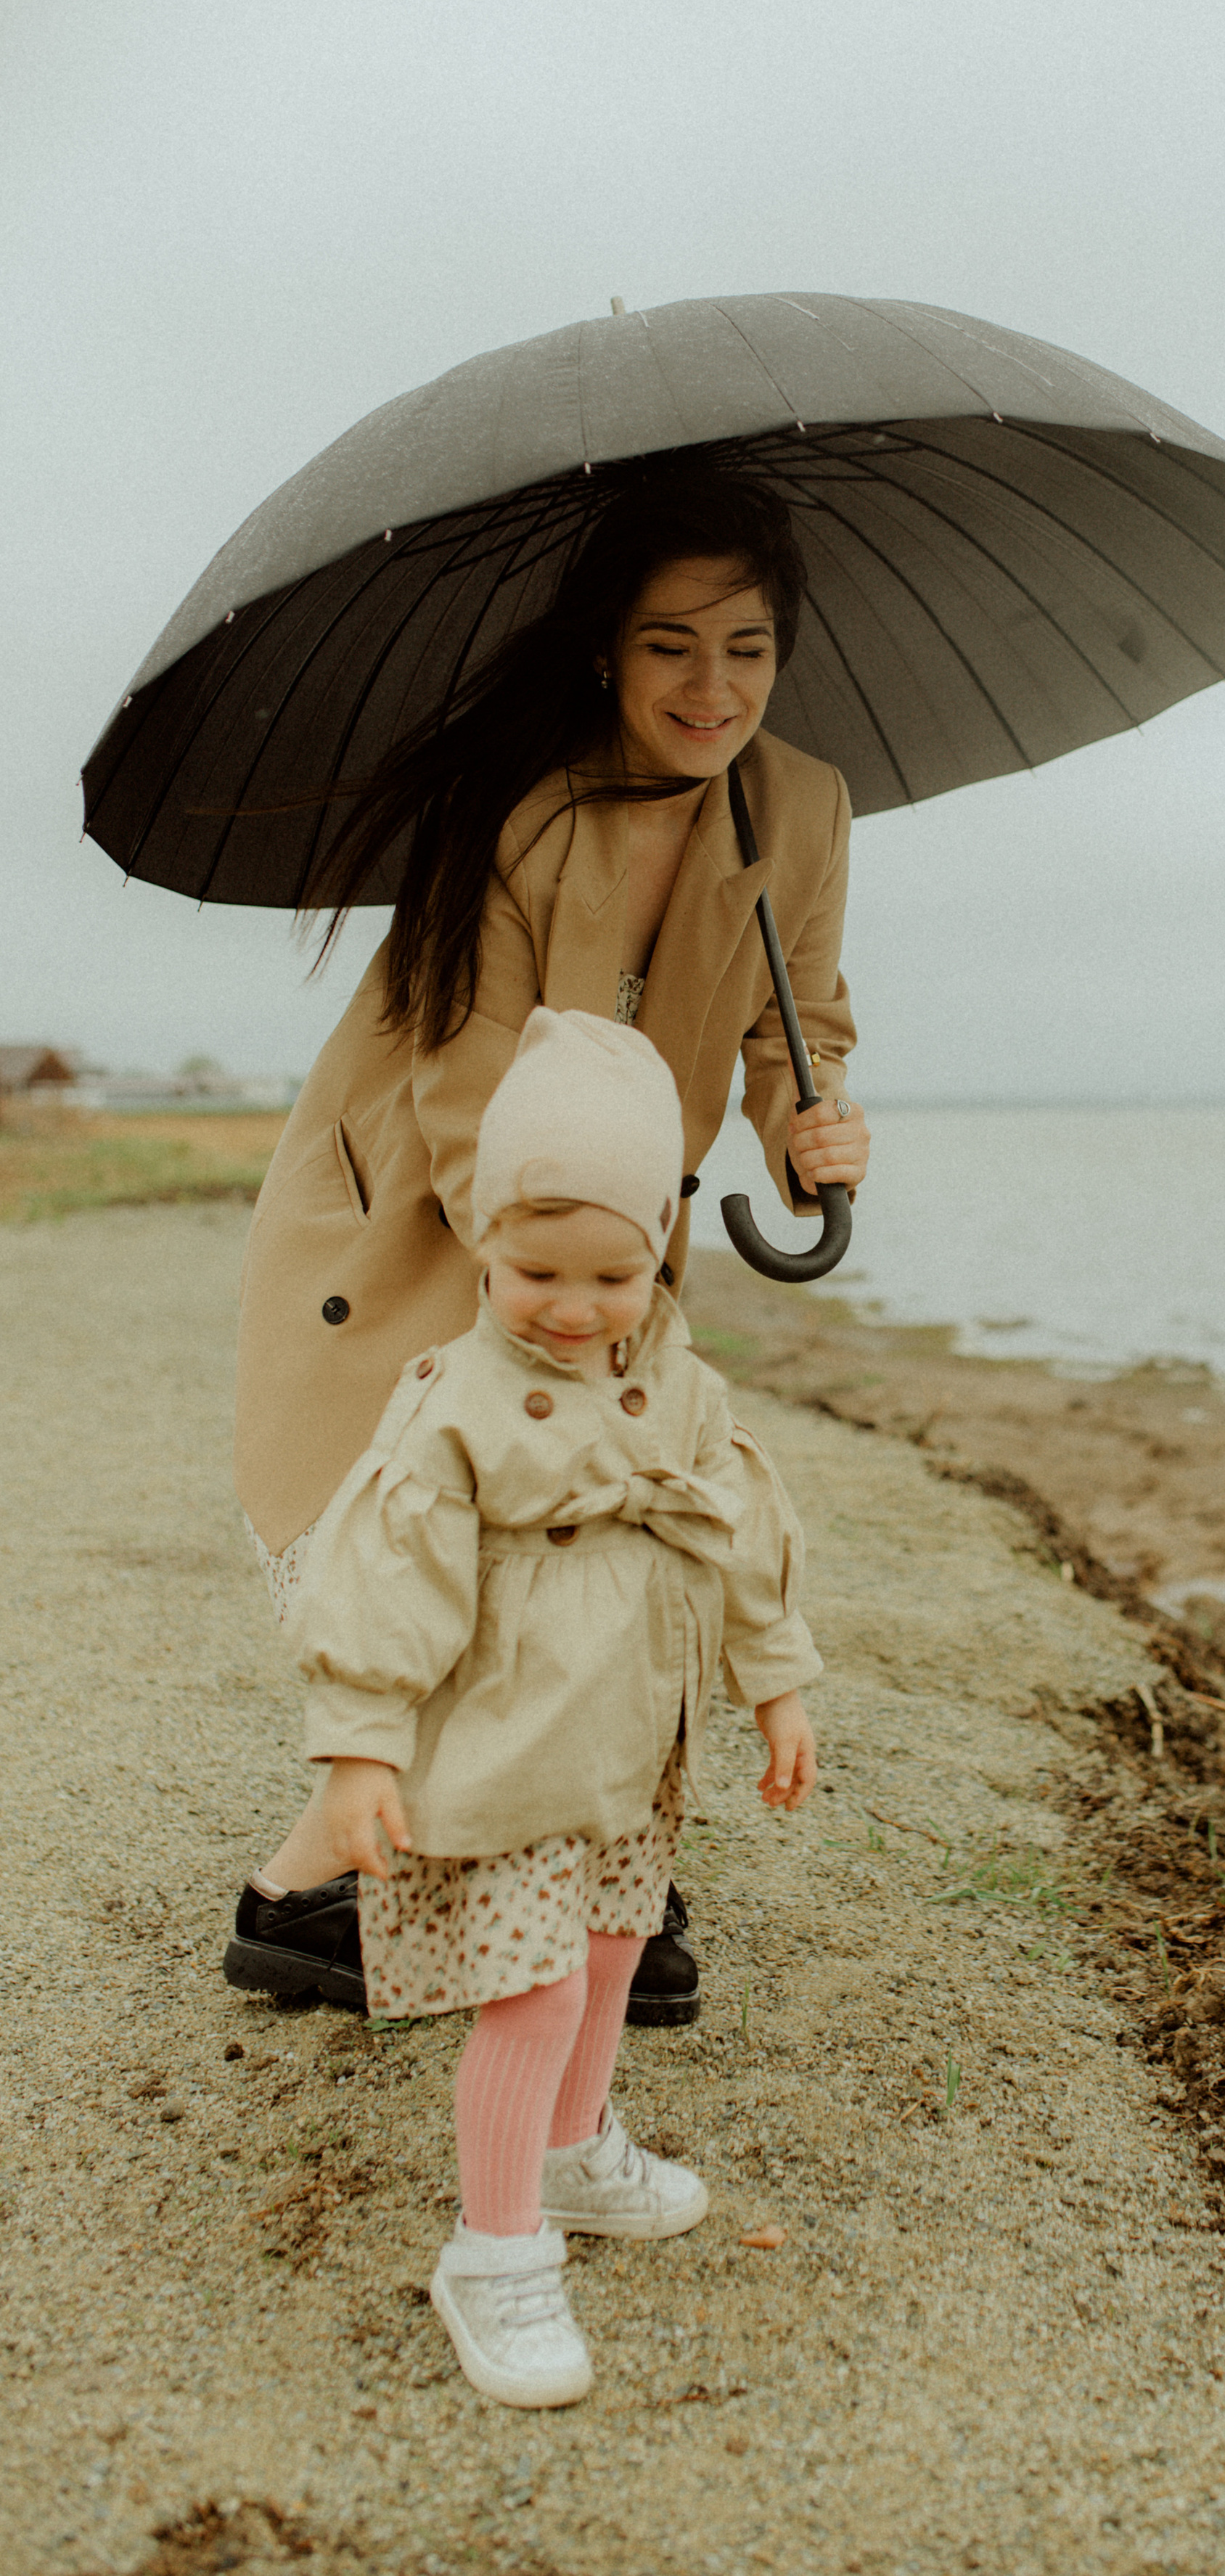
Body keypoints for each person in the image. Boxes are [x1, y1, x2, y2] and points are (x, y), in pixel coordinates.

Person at [222, 460, 869, 2020]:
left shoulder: (800, 807)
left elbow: (806, 1021)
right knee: (467, 1534)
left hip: (614, 1231)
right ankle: (325, 1885)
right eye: (670, 646)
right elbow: (459, 1084)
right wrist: (562, 1287)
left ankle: (584, 1875)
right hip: (438, 1214)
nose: (711, 687)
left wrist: (809, 1122)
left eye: (747, 648)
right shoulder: (517, 811)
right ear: (604, 649)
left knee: (623, 1540)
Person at [290, 1006, 820, 2405]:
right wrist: (360, 1747)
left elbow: (742, 1535)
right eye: (537, 1270)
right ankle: (496, 2249)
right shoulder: (454, 1401)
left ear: (659, 1249)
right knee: (522, 1993)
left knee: (606, 1956)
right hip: (510, 1747)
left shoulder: (681, 1389)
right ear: (482, 1241)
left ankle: (579, 2154)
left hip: (636, 1744)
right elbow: (385, 1577)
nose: (574, 1309)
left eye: (613, 1272)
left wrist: (777, 1683)